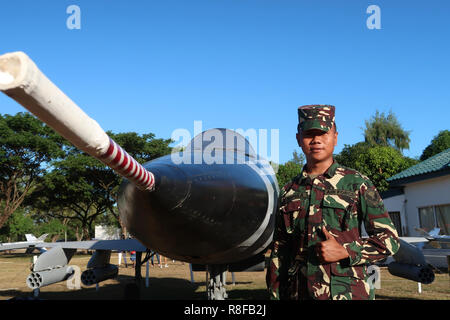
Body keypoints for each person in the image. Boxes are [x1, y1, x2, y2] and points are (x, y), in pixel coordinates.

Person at [266, 104, 400, 300]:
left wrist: (346, 250)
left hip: (347, 293)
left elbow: (389, 238)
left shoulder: (357, 183)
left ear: (335, 137)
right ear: (298, 139)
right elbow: (280, 251)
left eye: (323, 133)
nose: (316, 140)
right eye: (309, 134)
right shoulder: (288, 191)